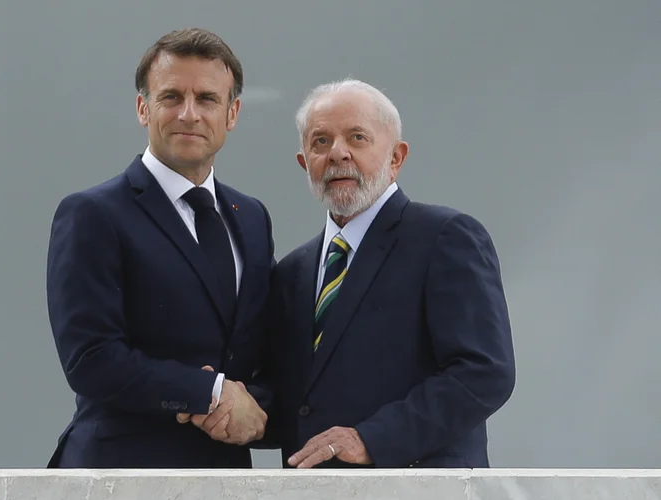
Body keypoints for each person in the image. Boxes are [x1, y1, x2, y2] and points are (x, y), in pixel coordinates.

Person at [45, 28, 274, 468]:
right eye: (171, 97)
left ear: (232, 113)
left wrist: (254, 407)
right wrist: (208, 394)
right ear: (142, 108)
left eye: (207, 99)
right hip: (117, 474)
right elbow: (91, 359)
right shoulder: (92, 214)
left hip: (225, 475)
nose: (189, 114)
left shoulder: (251, 218)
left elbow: (260, 349)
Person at [264, 78, 516, 468]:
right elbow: (298, 403)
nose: (337, 154)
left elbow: (484, 373)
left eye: (357, 138)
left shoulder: (444, 238)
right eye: (320, 142)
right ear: (304, 163)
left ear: (396, 158)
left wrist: (372, 440)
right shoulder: (293, 271)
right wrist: (217, 399)